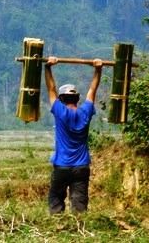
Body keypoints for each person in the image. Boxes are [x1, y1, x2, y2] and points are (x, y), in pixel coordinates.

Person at [44, 56, 103, 214]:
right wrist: (98, 69)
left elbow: (51, 89)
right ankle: (79, 224)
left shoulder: (60, 111)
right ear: (77, 98)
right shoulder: (85, 112)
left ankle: (57, 223)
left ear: (61, 99)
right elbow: (92, 90)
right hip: (81, 166)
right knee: (79, 203)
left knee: (56, 199)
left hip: (62, 165)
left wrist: (48, 67)